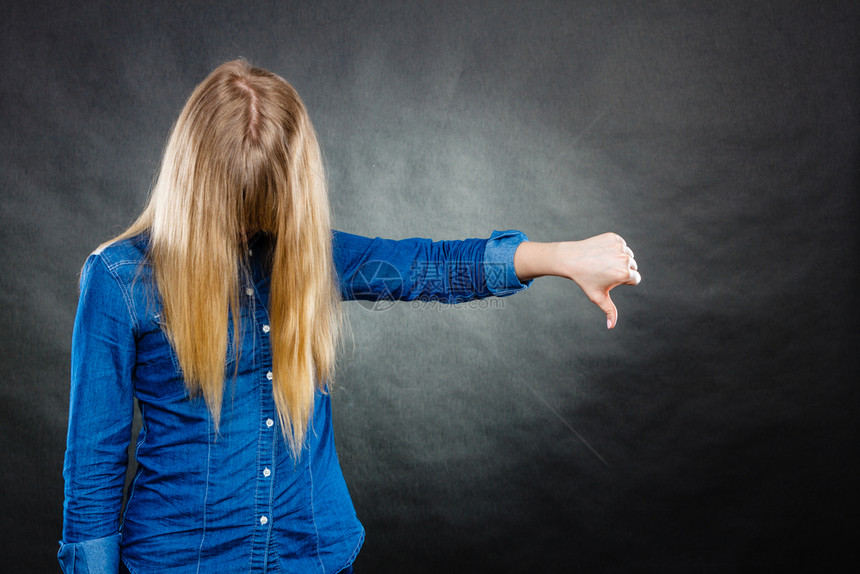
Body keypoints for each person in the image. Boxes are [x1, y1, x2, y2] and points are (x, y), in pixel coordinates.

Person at [58, 59, 640, 574]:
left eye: (263, 210)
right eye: (234, 209)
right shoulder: (118, 280)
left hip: (312, 552)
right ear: (197, 185)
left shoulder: (311, 255)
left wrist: (561, 257)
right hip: (179, 560)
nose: (247, 231)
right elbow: (93, 471)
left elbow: (429, 268)